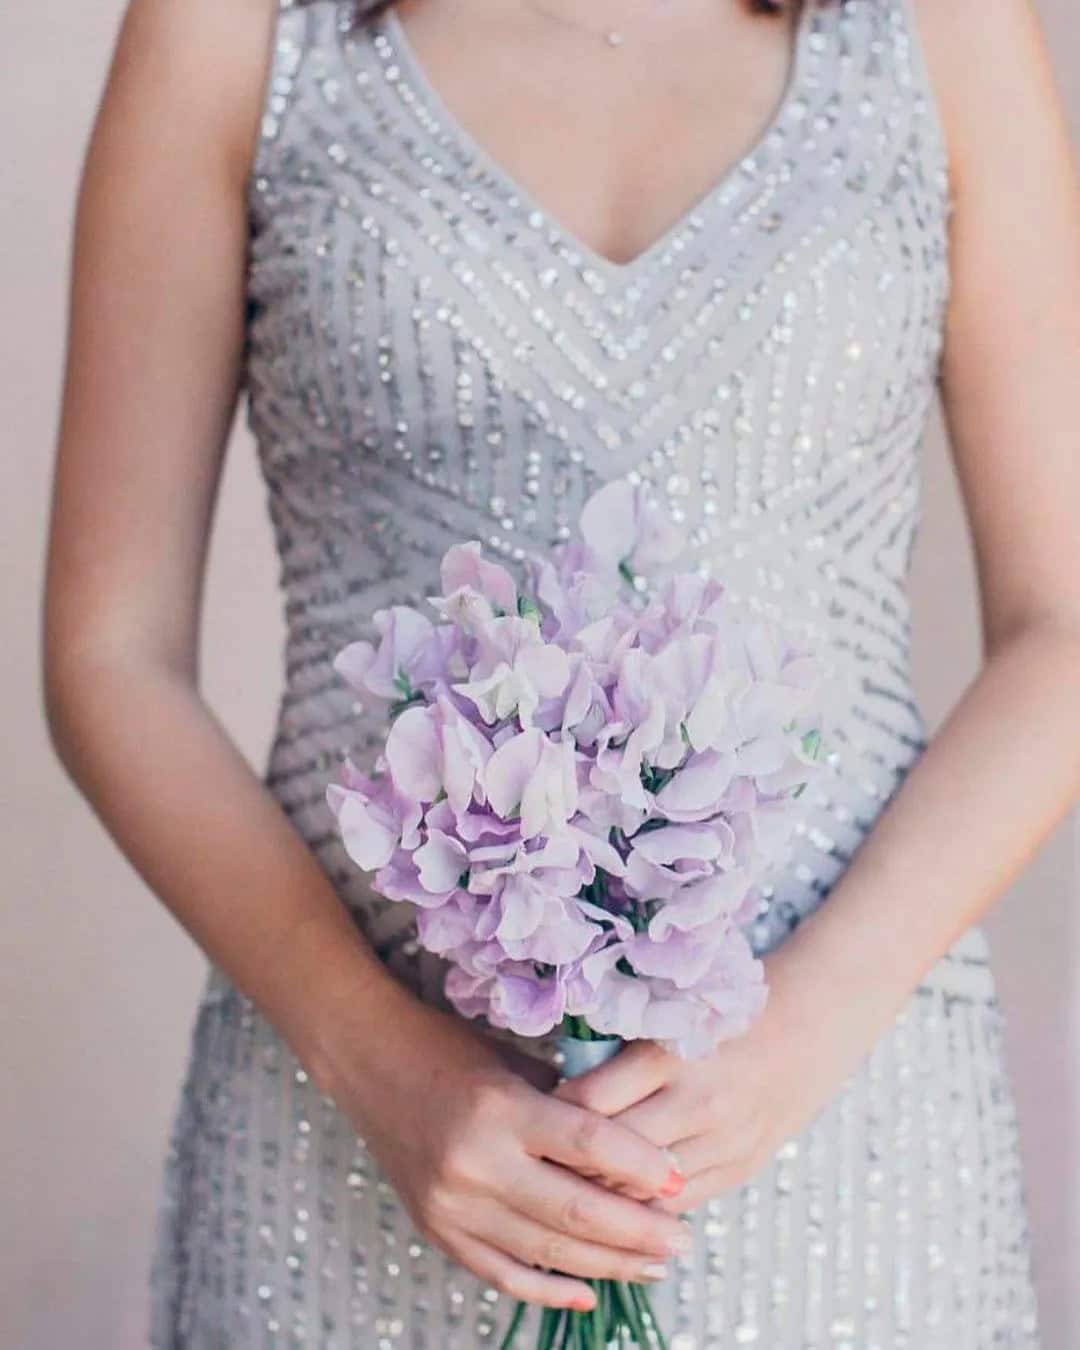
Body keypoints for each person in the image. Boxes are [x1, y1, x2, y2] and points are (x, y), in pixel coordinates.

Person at [42, 0, 1080, 1344]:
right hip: (367, 1132)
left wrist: (805, 1031)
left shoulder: (941, 26)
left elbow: (1063, 623)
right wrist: (379, 1060)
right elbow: (109, 652)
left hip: (842, 1128)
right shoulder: (233, 27)